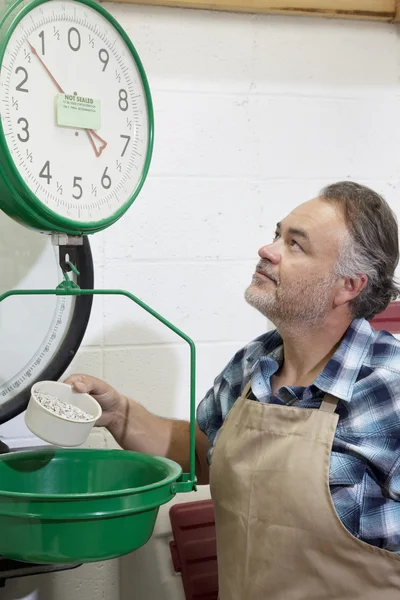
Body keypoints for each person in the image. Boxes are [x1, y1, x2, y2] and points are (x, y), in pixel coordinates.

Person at [66, 181, 400, 599]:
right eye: (278, 233)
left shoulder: (390, 388)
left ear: (348, 286)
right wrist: (120, 414)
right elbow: (202, 452)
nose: (268, 249)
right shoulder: (252, 365)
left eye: (296, 245)